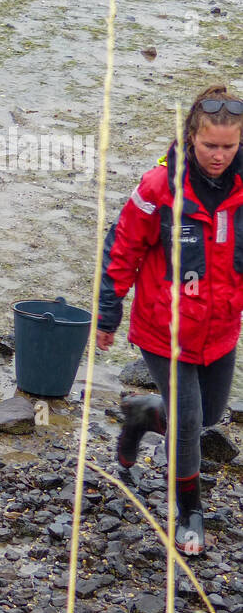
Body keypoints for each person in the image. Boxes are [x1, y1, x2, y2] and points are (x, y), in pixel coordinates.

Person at [98, 84, 243, 556]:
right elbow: (122, 246)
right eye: (209, 146)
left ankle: (141, 413)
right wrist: (108, 309)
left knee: (211, 416)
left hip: (221, 330)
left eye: (229, 146)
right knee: (187, 421)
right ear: (191, 138)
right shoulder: (158, 188)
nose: (218, 155)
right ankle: (189, 512)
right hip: (166, 329)